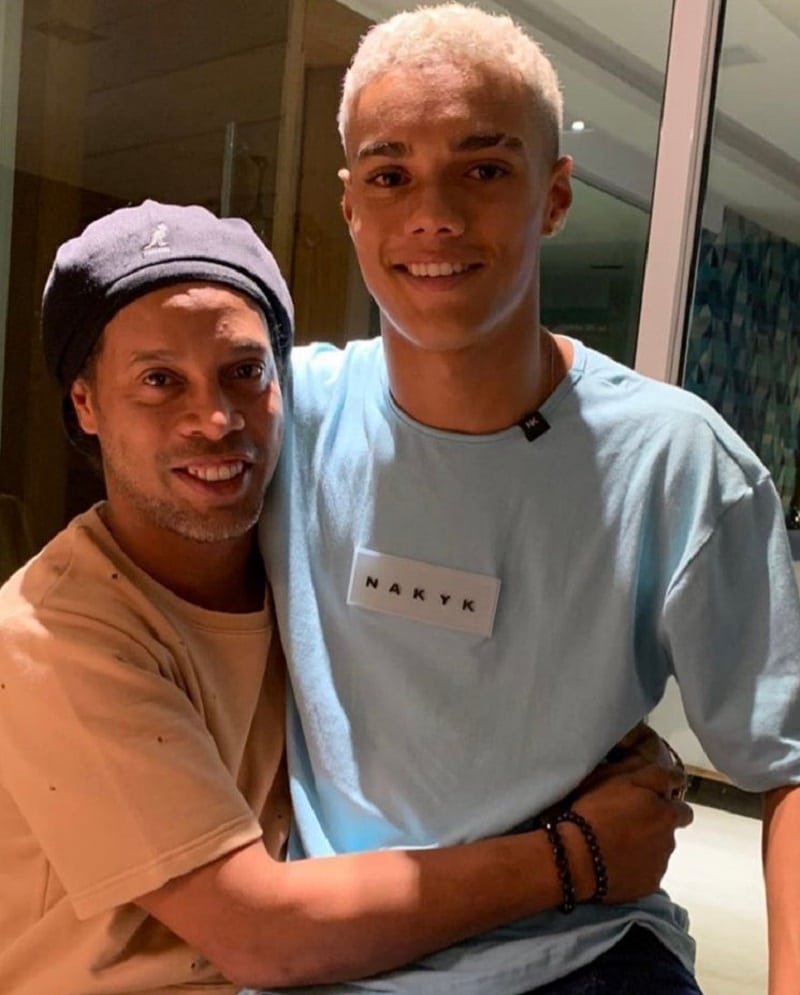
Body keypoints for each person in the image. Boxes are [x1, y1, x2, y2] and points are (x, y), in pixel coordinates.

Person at [0, 200, 688, 995]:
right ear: (86, 403)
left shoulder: (306, 559)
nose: (214, 419)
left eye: (244, 372)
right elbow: (261, 934)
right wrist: (578, 856)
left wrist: (599, 741)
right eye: (159, 381)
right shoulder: (54, 636)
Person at [260, 4, 800, 994]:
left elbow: (786, 759)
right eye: (390, 175)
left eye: (483, 170)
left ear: (553, 197)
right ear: (351, 208)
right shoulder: (280, 424)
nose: (433, 214)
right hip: (340, 944)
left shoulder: (677, 464)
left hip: (583, 951)